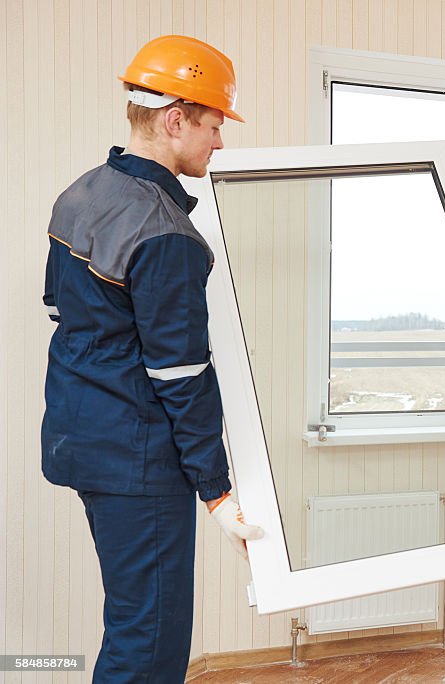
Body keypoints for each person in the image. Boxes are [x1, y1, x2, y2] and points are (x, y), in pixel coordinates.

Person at [41, 35, 262, 683]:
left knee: (133, 620)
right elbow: (180, 374)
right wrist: (217, 490)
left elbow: (64, 306)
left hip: (82, 440)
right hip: (138, 460)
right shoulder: (165, 232)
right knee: (152, 640)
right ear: (175, 119)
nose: (219, 142)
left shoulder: (81, 194)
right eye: (214, 125)